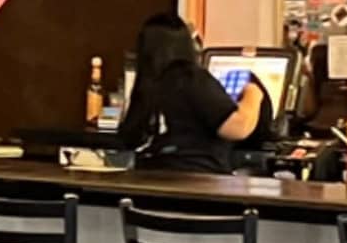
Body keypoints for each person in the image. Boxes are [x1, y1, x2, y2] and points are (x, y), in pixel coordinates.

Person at [114, 11, 269, 168]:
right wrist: (253, 95)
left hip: (151, 177)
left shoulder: (146, 87)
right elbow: (237, 128)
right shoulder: (191, 78)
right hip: (198, 178)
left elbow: (129, 139)